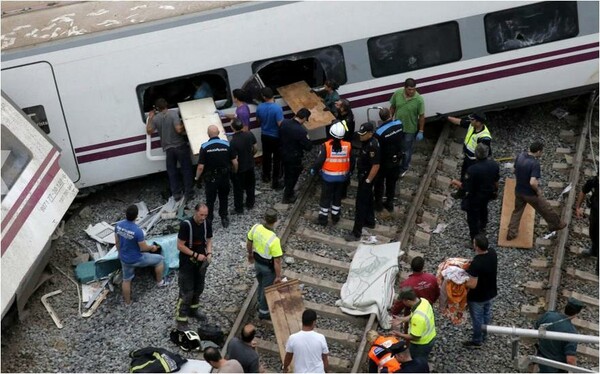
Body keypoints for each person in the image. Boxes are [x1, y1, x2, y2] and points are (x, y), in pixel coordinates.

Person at [507, 141, 567, 241]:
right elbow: (532, 182)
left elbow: (513, 170)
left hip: (518, 191)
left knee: (517, 212)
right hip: (530, 194)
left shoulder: (520, 156)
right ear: (538, 151)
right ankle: (556, 224)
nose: (541, 154)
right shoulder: (535, 163)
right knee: (546, 208)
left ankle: (511, 234)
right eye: (541, 152)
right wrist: (538, 190)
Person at [114, 205, 167, 305]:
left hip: (124, 259)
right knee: (160, 259)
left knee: (126, 280)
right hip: (137, 259)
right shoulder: (137, 231)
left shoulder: (118, 225)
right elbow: (143, 248)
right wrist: (152, 247)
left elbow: (117, 242)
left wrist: (120, 254)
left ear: (126, 214)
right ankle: (160, 282)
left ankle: (127, 303)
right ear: (136, 216)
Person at [146, 98, 194, 201]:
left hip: (168, 149)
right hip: (180, 146)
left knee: (172, 172)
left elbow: (149, 131)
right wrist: (185, 124)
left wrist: (150, 118)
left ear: (157, 108)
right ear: (167, 105)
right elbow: (178, 130)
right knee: (186, 170)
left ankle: (176, 194)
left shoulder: (156, 118)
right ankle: (188, 193)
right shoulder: (173, 114)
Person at [175, 203, 213, 331]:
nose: (203, 218)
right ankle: (181, 318)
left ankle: (193, 310)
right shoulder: (186, 225)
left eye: (205, 215)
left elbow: (209, 240)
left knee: (198, 288)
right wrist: (196, 255)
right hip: (187, 263)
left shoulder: (207, 224)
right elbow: (180, 246)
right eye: (201, 215)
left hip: (201, 263)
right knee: (187, 292)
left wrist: (209, 253)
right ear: (195, 212)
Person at [195, 125, 238, 228]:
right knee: (223, 197)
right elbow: (235, 162)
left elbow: (201, 167)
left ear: (208, 134)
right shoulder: (227, 144)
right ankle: (224, 217)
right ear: (218, 133)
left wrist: (197, 178)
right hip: (224, 177)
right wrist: (234, 172)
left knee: (210, 200)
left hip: (211, 179)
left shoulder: (205, 146)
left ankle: (209, 220)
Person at [311, 121, 353, 226]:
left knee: (325, 197)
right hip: (342, 177)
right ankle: (335, 216)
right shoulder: (348, 146)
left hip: (328, 177)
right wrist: (349, 172)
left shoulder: (326, 146)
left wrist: (314, 169)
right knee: (337, 196)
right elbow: (352, 161)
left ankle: (323, 219)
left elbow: (320, 161)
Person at [443, 112, 492, 199]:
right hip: (468, 158)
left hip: (474, 161)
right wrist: (447, 117)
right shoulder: (472, 125)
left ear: (478, 122)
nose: (470, 121)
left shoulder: (484, 137)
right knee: (464, 176)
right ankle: (462, 192)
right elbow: (460, 122)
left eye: (472, 120)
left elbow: (485, 153)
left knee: (470, 179)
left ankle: (471, 194)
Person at [344, 122, 380, 242]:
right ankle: (369, 221)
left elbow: (376, 165)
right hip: (363, 176)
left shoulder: (373, 146)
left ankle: (356, 232)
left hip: (367, 177)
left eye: (363, 134)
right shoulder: (366, 142)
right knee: (368, 199)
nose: (360, 136)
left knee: (360, 205)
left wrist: (368, 180)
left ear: (370, 134)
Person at [247, 208, 283, 320]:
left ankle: (259, 302)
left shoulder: (255, 228)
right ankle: (263, 312)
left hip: (257, 263)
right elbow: (277, 261)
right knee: (267, 289)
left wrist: (250, 254)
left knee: (261, 283)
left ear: (264, 218)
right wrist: (278, 276)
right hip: (268, 268)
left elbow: (249, 242)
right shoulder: (274, 240)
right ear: (276, 221)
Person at [463, 234, 497, 348]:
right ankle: (485, 333)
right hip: (490, 291)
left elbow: (472, 285)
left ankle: (477, 340)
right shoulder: (492, 253)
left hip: (478, 296)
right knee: (486, 313)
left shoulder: (477, 263)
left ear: (477, 247)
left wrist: (462, 282)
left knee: (477, 319)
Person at [534, 298, 585, 373]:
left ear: (565, 307)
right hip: (554, 365)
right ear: (576, 314)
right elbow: (570, 359)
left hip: (542, 354)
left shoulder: (548, 315)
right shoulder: (572, 333)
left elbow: (536, 328)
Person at [461, 143, 499, 241]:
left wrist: (456, 183)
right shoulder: (494, 165)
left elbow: (467, 187)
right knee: (483, 208)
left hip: (475, 197)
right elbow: (496, 181)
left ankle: (475, 239)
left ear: (476, 154)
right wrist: (495, 192)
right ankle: (483, 225)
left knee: (472, 219)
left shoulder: (472, 170)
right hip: (488, 194)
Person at [389, 78, 425, 177]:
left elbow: (421, 116)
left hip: (410, 129)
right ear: (405, 88)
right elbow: (392, 107)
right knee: (397, 147)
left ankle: (404, 167)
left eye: (413, 89)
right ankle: (396, 164)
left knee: (406, 149)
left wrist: (421, 130)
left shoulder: (419, 99)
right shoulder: (397, 93)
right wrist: (390, 119)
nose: (412, 91)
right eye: (409, 89)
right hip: (397, 127)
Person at [392, 288, 437, 361]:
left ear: (408, 301)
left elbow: (415, 337)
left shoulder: (418, 318)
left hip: (421, 344)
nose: (403, 303)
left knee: (417, 361)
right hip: (430, 336)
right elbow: (412, 315)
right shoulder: (423, 301)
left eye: (403, 301)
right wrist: (402, 319)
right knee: (422, 358)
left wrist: (399, 334)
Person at [279, 108, 313, 203]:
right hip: (294, 157)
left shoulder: (284, 123)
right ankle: (288, 196)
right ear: (304, 118)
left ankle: (285, 186)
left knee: (287, 173)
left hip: (283, 153)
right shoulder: (301, 131)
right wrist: (308, 139)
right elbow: (308, 147)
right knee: (293, 176)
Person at [374, 108, 403, 213]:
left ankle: (378, 204)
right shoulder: (399, 124)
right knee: (392, 183)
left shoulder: (379, 132)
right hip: (396, 159)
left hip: (384, 162)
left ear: (380, 118)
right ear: (390, 115)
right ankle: (390, 204)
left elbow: (377, 148)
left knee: (380, 183)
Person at [283, 309, 329, 373]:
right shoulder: (321, 338)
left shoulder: (293, 338)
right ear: (314, 322)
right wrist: (326, 371)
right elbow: (325, 358)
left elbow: (288, 357)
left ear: (302, 321)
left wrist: (285, 368)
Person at [256, 87, 284, 189]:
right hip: (276, 136)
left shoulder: (259, 107)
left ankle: (266, 176)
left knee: (266, 156)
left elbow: (258, 120)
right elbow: (280, 124)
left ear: (263, 97)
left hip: (265, 135)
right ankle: (275, 179)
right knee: (277, 158)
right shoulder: (277, 108)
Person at [229, 118, 257, 214]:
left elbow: (235, 162)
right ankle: (250, 203)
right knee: (250, 186)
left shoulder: (233, 142)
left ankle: (239, 209)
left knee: (238, 190)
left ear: (232, 128)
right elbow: (255, 148)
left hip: (240, 169)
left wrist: (235, 171)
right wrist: (251, 156)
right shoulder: (249, 134)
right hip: (250, 165)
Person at [575, 174, 598, 274]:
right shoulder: (594, 181)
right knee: (593, 233)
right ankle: (594, 250)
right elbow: (584, 191)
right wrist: (578, 207)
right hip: (595, 212)